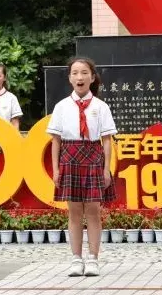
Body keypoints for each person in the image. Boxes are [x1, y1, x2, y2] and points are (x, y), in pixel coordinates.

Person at [48, 57, 116, 278]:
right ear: (69, 78)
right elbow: (55, 141)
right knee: (75, 212)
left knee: (94, 211)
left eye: (84, 72)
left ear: (92, 77)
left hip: (94, 156)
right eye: (75, 73)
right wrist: (56, 169)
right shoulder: (61, 107)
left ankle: (93, 258)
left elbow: (107, 140)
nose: (80, 77)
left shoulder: (101, 107)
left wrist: (106, 169)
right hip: (69, 157)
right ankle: (76, 258)